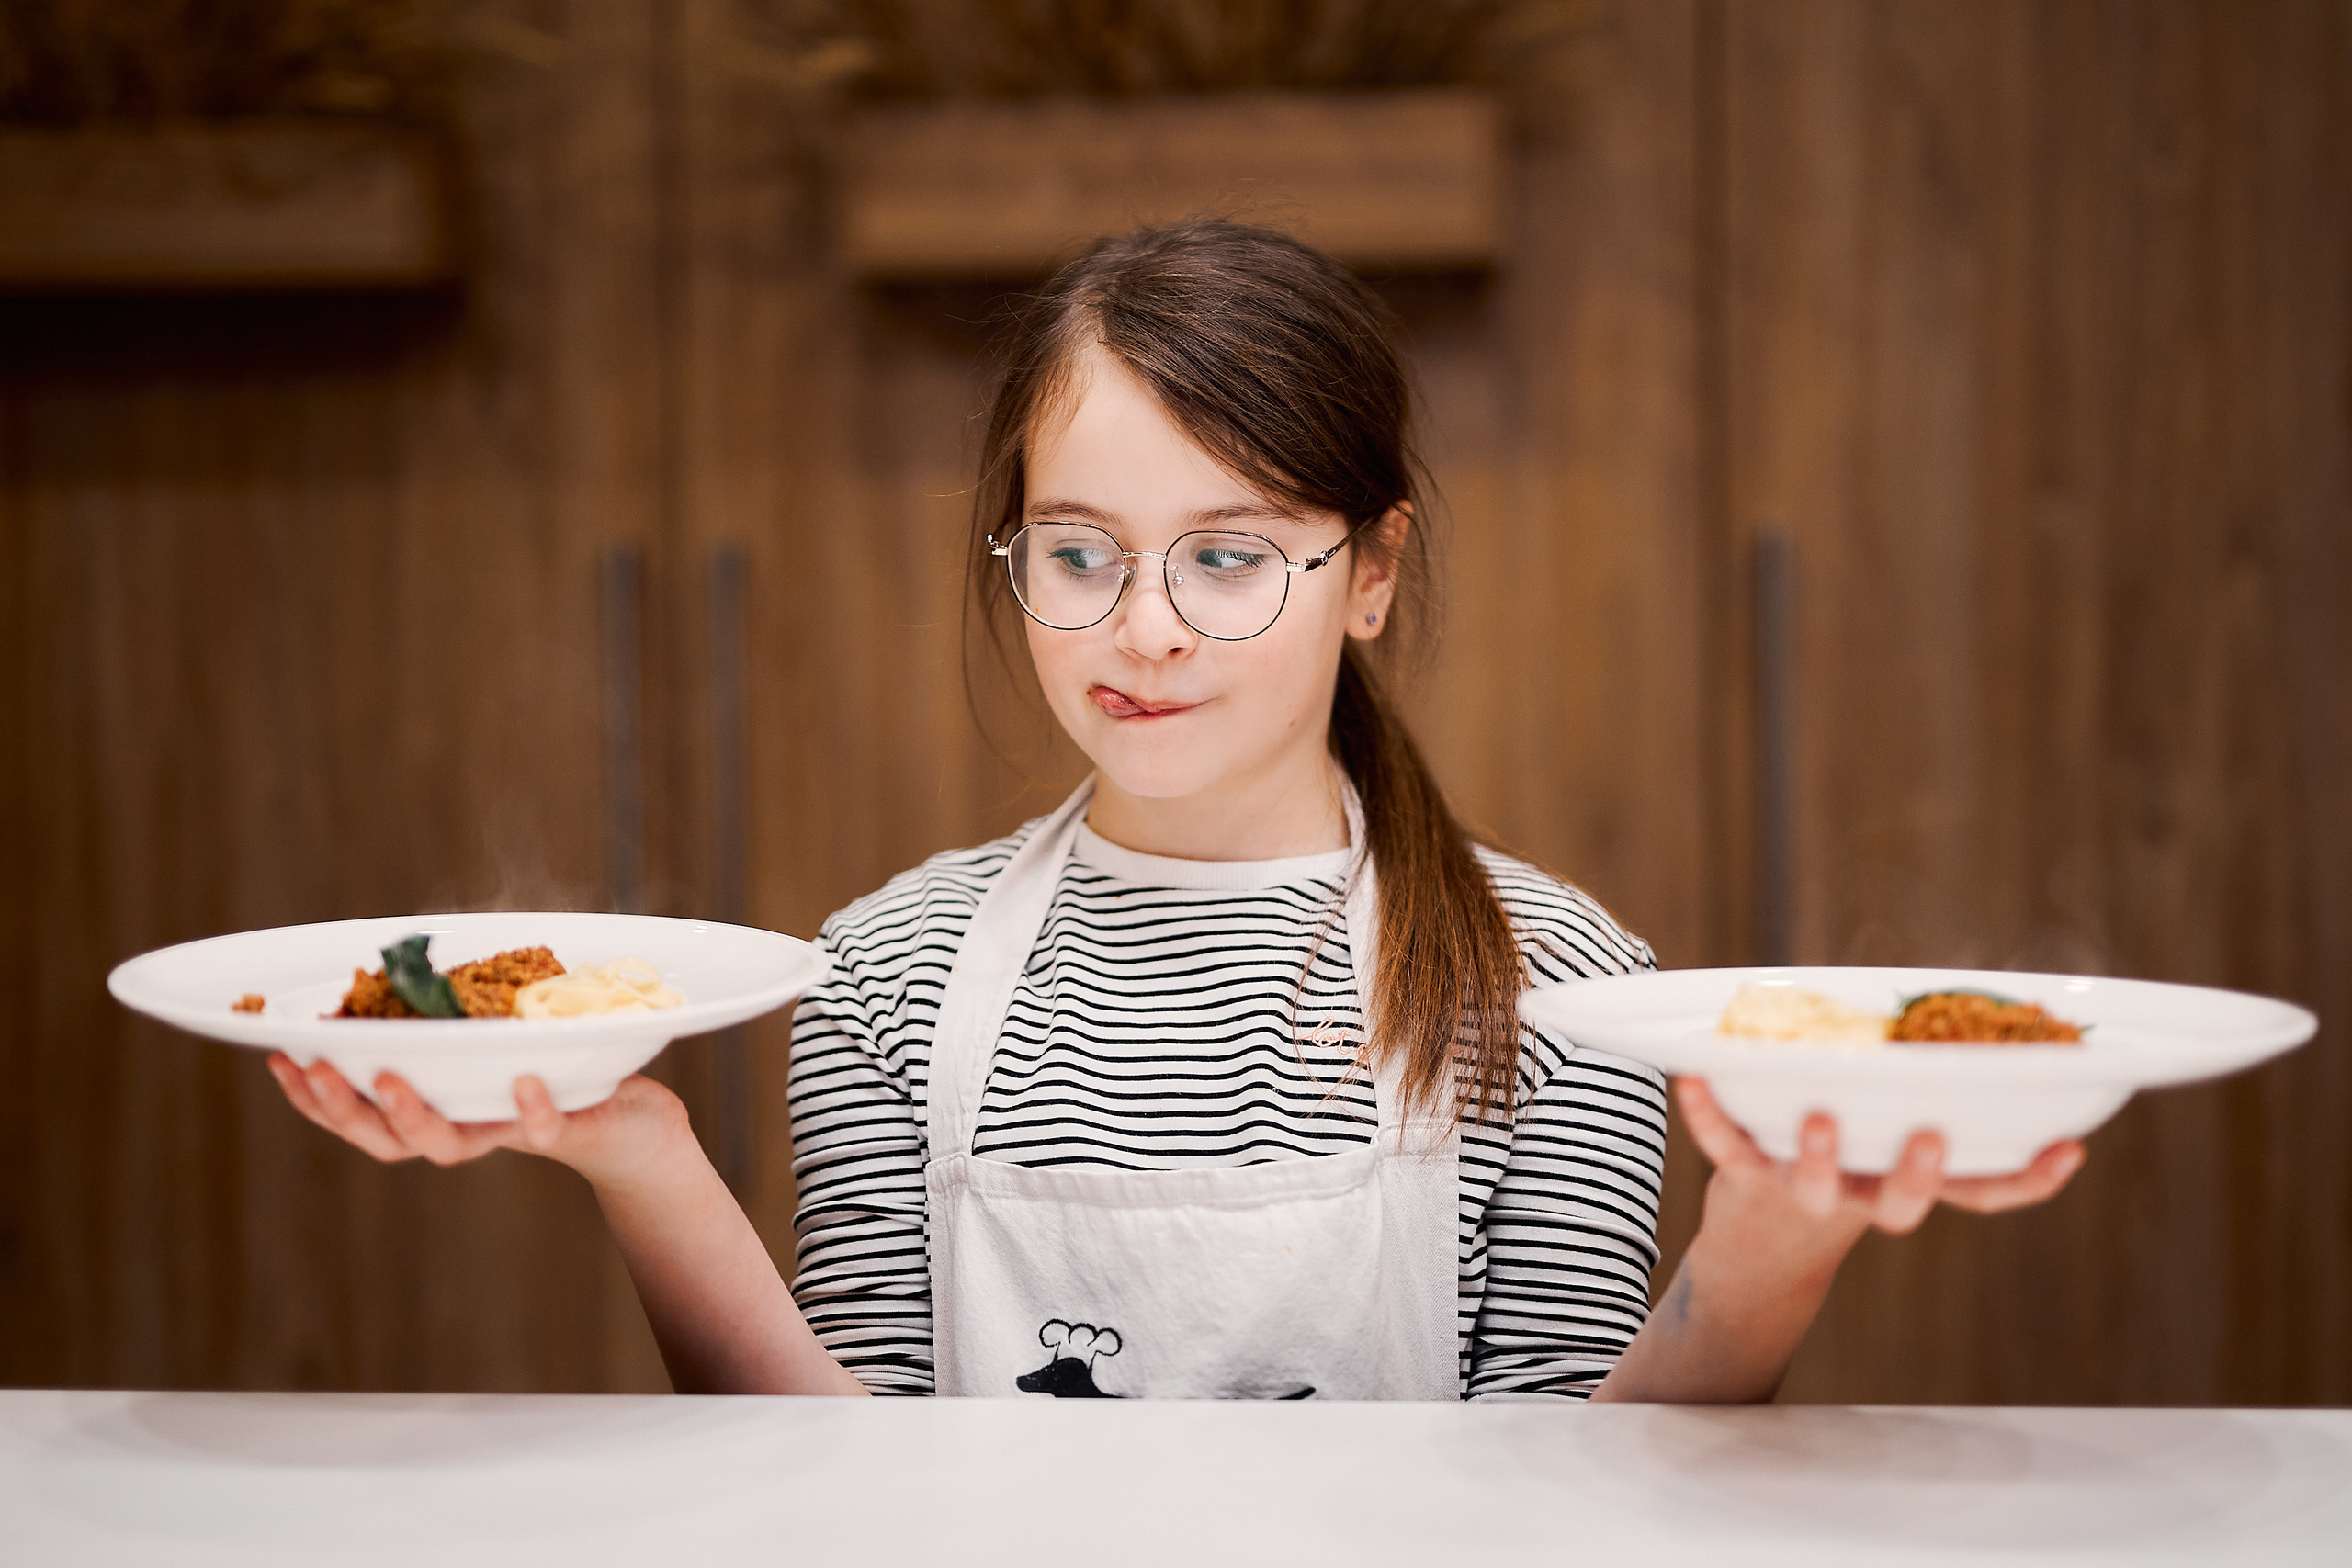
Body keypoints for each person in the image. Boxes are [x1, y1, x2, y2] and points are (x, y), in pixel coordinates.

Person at [269, 220, 2084, 1402]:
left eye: (1227, 559)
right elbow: (847, 1485)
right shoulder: (889, 969)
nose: (1139, 628)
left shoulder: (1557, 976)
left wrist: (1776, 1238)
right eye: (1076, 553)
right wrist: (634, 1152)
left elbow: (1583, 1495)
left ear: (1368, 572)